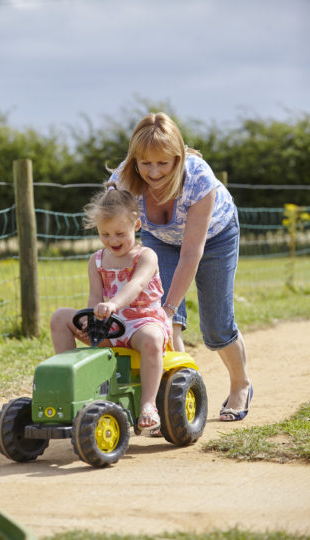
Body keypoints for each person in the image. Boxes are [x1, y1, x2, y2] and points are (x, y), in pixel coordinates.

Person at [108, 112, 253, 422]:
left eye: (163, 163)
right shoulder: (122, 182)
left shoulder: (198, 178)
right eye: (145, 163)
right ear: (134, 159)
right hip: (160, 240)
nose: (154, 171)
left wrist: (171, 307)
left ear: (177, 157)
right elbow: (113, 234)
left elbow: (192, 252)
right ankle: (175, 397)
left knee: (216, 327)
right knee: (159, 321)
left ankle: (241, 385)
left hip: (215, 237)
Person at [50, 183, 172, 431]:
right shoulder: (96, 260)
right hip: (109, 327)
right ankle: (67, 386)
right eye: (105, 234)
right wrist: (90, 319)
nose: (112, 240)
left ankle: (149, 404)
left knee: (151, 337)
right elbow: (95, 296)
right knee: (60, 317)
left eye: (119, 233)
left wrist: (114, 304)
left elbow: (137, 285)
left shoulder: (146, 256)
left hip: (142, 322)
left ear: (135, 225)